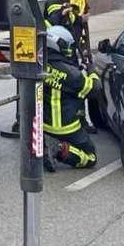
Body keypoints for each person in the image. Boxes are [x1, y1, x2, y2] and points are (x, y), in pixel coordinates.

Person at [42, 26, 99, 170]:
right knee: (91, 157)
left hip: (43, 125)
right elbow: (94, 89)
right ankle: (58, 148)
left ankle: (44, 143)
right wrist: (91, 70)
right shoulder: (72, 75)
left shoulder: (39, 64)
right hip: (66, 127)